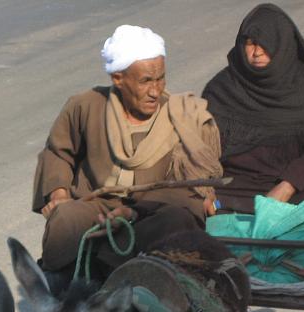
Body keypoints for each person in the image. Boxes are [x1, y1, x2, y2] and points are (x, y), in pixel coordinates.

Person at [33, 25, 223, 284]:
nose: (155, 91)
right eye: (146, 81)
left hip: (154, 209)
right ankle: (63, 290)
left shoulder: (183, 116)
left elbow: (192, 187)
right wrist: (59, 195)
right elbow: (57, 152)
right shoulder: (86, 105)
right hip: (97, 205)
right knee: (65, 219)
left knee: (176, 221)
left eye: (160, 79)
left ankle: (136, 285)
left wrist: (133, 214)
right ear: (118, 79)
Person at [202, 3, 304, 229]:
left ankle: (264, 217)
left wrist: (287, 186)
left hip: (287, 186)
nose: (256, 52)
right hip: (233, 186)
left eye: (266, 44)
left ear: (282, 45)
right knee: (182, 201)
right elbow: (199, 148)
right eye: (250, 43)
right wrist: (204, 190)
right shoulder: (220, 89)